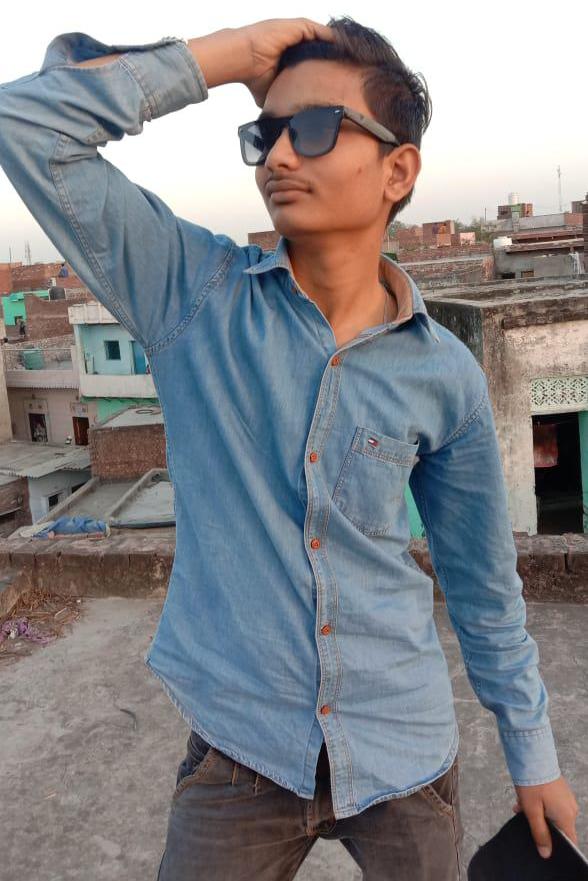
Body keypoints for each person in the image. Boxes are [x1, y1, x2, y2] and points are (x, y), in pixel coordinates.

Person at [0, 16, 579, 881]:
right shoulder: (191, 295)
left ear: (398, 170)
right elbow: (27, 124)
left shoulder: (444, 374)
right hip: (240, 745)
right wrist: (232, 56)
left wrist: (533, 753)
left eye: (311, 129)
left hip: (402, 748)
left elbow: (483, 584)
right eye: (264, 132)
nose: (276, 155)